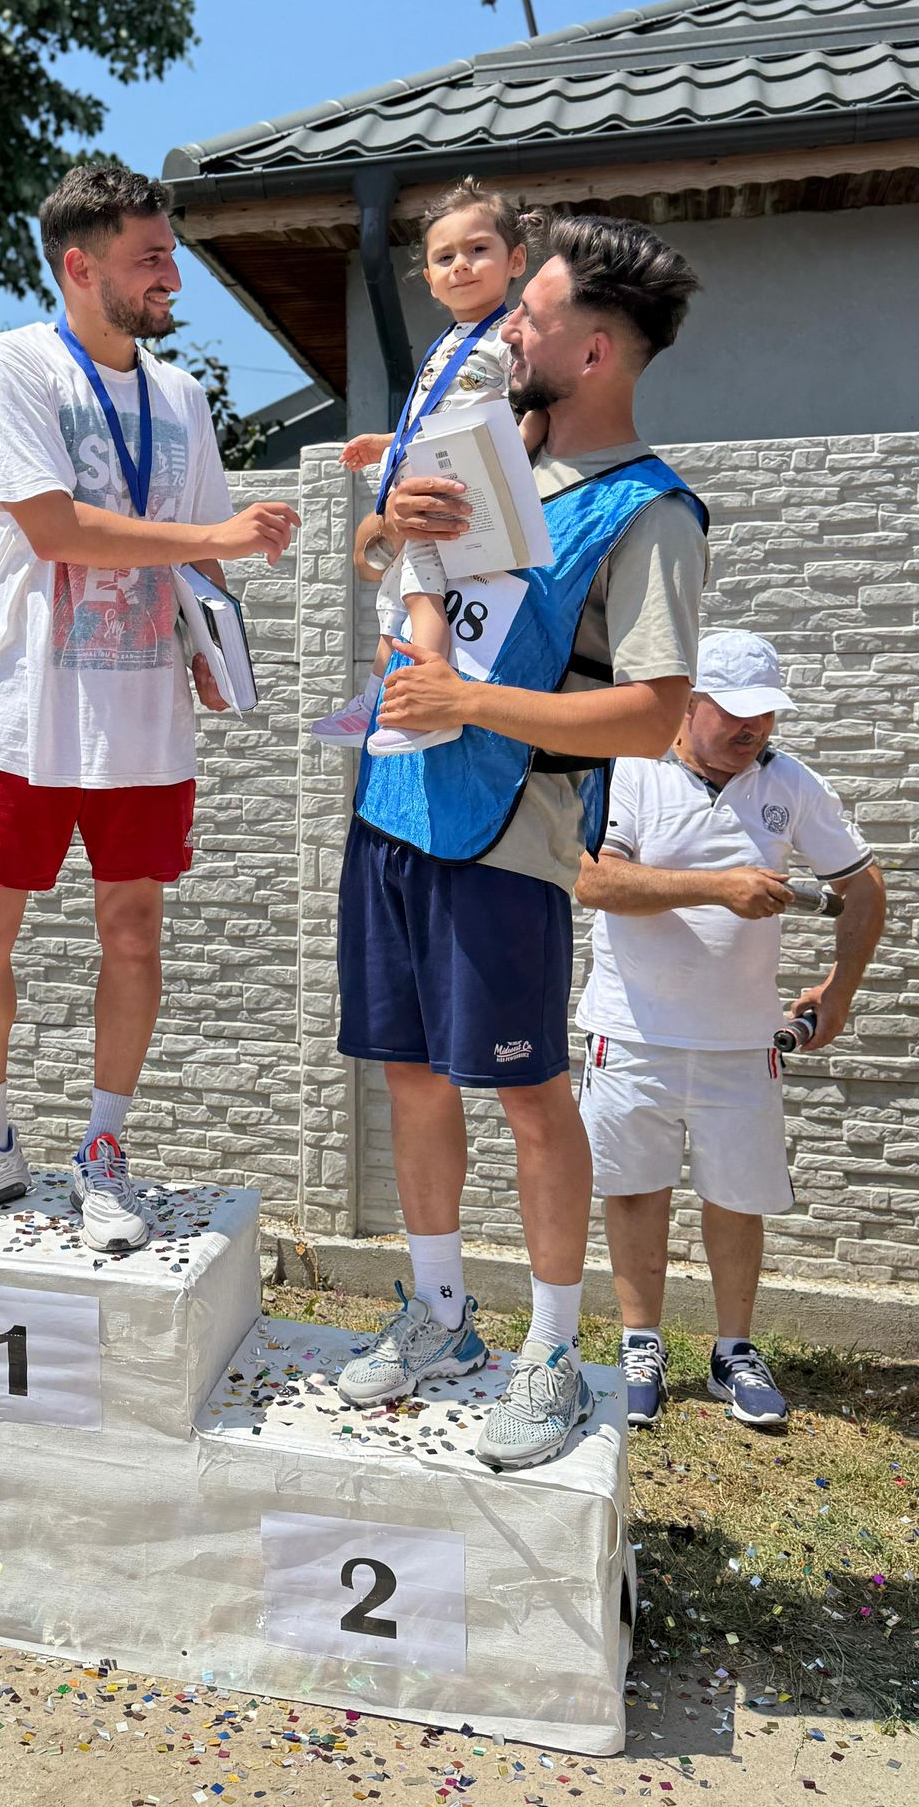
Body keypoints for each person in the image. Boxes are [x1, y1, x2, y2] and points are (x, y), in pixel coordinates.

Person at [334, 211, 707, 1473]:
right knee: (409, 1072)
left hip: (509, 835)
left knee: (531, 1095)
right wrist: (392, 526)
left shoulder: (652, 514)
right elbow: (392, 567)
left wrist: (471, 700)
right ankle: (442, 1314)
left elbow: (654, 718)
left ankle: (552, 1350)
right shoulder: (492, 450)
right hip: (395, 800)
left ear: (592, 351)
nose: (504, 334)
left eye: (530, 319)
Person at [0, 164, 298, 1254]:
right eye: (149, 258)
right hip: (28, 706)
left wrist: (211, 639)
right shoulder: (9, 366)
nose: (173, 277)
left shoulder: (181, 397)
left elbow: (205, 554)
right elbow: (55, 526)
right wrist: (213, 541)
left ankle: (104, 1150)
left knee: (134, 931)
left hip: (146, 710)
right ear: (80, 266)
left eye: (171, 255)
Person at [575, 630, 885, 1429]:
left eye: (766, 714)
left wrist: (839, 992)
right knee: (633, 1189)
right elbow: (594, 879)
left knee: (737, 1197)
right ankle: (640, 1342)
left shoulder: (789, 783)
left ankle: (733, 1351)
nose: (754, 728)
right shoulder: (631, 767)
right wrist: (719, 888)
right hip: (630, 1031)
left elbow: (863, 887)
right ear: (688, 704)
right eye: (736, 712)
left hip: (743, 1039)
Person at [311, 180, 540, 754]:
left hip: (459, 495)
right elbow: (435, 419)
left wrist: (512, 469)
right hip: (423, 489)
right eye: (445, 257)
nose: (461, 265)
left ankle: (429, 702)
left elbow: (531, 414)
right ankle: (376, 701)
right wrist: (386, 442)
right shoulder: (447, 343)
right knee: (395, 602)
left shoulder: (511, 338)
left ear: (515, 260)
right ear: (431, 280)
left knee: (419, 594)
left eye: (478, 249)